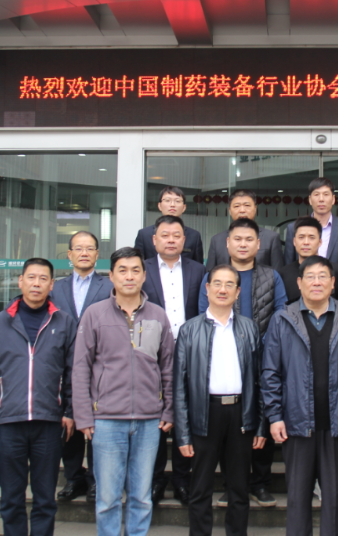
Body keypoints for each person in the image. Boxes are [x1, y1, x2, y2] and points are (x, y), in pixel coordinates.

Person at [261, 255, 338, 536]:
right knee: (297, 498)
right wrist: (274, 416)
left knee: (334, 500)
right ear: (299, 283)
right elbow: (270, 372)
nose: (316, 282)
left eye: (323, 277)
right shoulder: (283, 319)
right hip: (296, 423)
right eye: (310, 277)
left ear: (333, 283)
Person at [72, 247, 175, 536]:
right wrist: (84, 415)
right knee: (108, 498)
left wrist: (168, 410)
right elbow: (80, 368)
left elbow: (168, 367)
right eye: (122, 270)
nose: (129, 276)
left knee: (141, 496)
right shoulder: (94, 314)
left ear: (144, 275)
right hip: (106, 419)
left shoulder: (158, 315)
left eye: (135, 270)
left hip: (149, 420)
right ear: (112, 275)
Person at [0, 258, 78, 536]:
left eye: (43, 278)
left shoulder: (64, 322)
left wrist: (69, 411)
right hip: (9, 422)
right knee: (11, 498)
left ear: (51, 284)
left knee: (45, 499)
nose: (36, 284)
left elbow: (72, 372)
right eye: (31, 277)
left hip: (49, 422)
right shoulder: (0, 321)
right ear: (21, 281)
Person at [197, 217, 286, 508]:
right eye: (237, 239)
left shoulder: (272, 276)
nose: (243, 244)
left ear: (258, 245)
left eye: (249, 240)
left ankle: (260, 483)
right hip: (225, 361)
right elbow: (203, 313)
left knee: (261, 419)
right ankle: (231, 484)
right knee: (230, 428)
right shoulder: (215, 276)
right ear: (227, 243)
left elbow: (281, 314)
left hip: (263, 358)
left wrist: (262, 345)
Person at [173, 264, 267, 536]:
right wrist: (183, 434)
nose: (222, 289)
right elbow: (179, 386)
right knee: (200, 487)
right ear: (207, 288)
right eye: (217, 283)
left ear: (238, 292)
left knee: (239, 488)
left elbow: (260, 381)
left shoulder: (249, 329)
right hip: (205, 414)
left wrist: (261, 425)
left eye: (229, 285)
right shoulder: (189, 330)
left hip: (240, 414)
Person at [142, 215, 207, 506]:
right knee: (155, 414)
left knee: (185, 414)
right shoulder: (142, 269)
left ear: (185, 240)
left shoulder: (199, 270)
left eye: (176, 235)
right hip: (151, 352)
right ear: (154, 240)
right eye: (165, 235)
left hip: (190, 351)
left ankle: (182, 479)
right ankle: (156, 479)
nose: (171, 240)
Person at [50, 231, 113, 504]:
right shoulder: (56, 288)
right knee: (69, 422)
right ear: (69, 254)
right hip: (63, 364)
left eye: (90, 248)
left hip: (99, 363)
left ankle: (96, 480)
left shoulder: (108, 285)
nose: (84, 253)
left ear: (97, 254)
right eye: (78, 248)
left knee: (96, 423)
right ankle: (73, 477)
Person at [284, 177, 338, 273]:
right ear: (310, 200)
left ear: (333, 199)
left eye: (326, 194)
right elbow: (288, 266)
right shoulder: (293, 228)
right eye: (316, 194)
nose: (321, 199)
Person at [206, 189, 284, 270]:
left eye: (247, 205)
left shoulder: (271, 238)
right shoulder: (217, 240)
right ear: (230, 211)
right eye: (237, 206)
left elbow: (278, 270)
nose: (242, 210)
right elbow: (210, 273)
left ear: (255, 209)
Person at [279, 217, 338, 304]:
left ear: (320, 242)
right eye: (301, 237)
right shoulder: (283, 274)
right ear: (294, 241)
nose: (306, 242)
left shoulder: (337, 271)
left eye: (311, 237)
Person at [135, 186, 204, 262]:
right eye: (167, 200)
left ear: (184, 207)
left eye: (177, 201)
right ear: (159, 206)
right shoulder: (144, 234)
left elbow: (198, 266)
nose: (172, 205)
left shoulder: (194, 236)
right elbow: (137, 264)